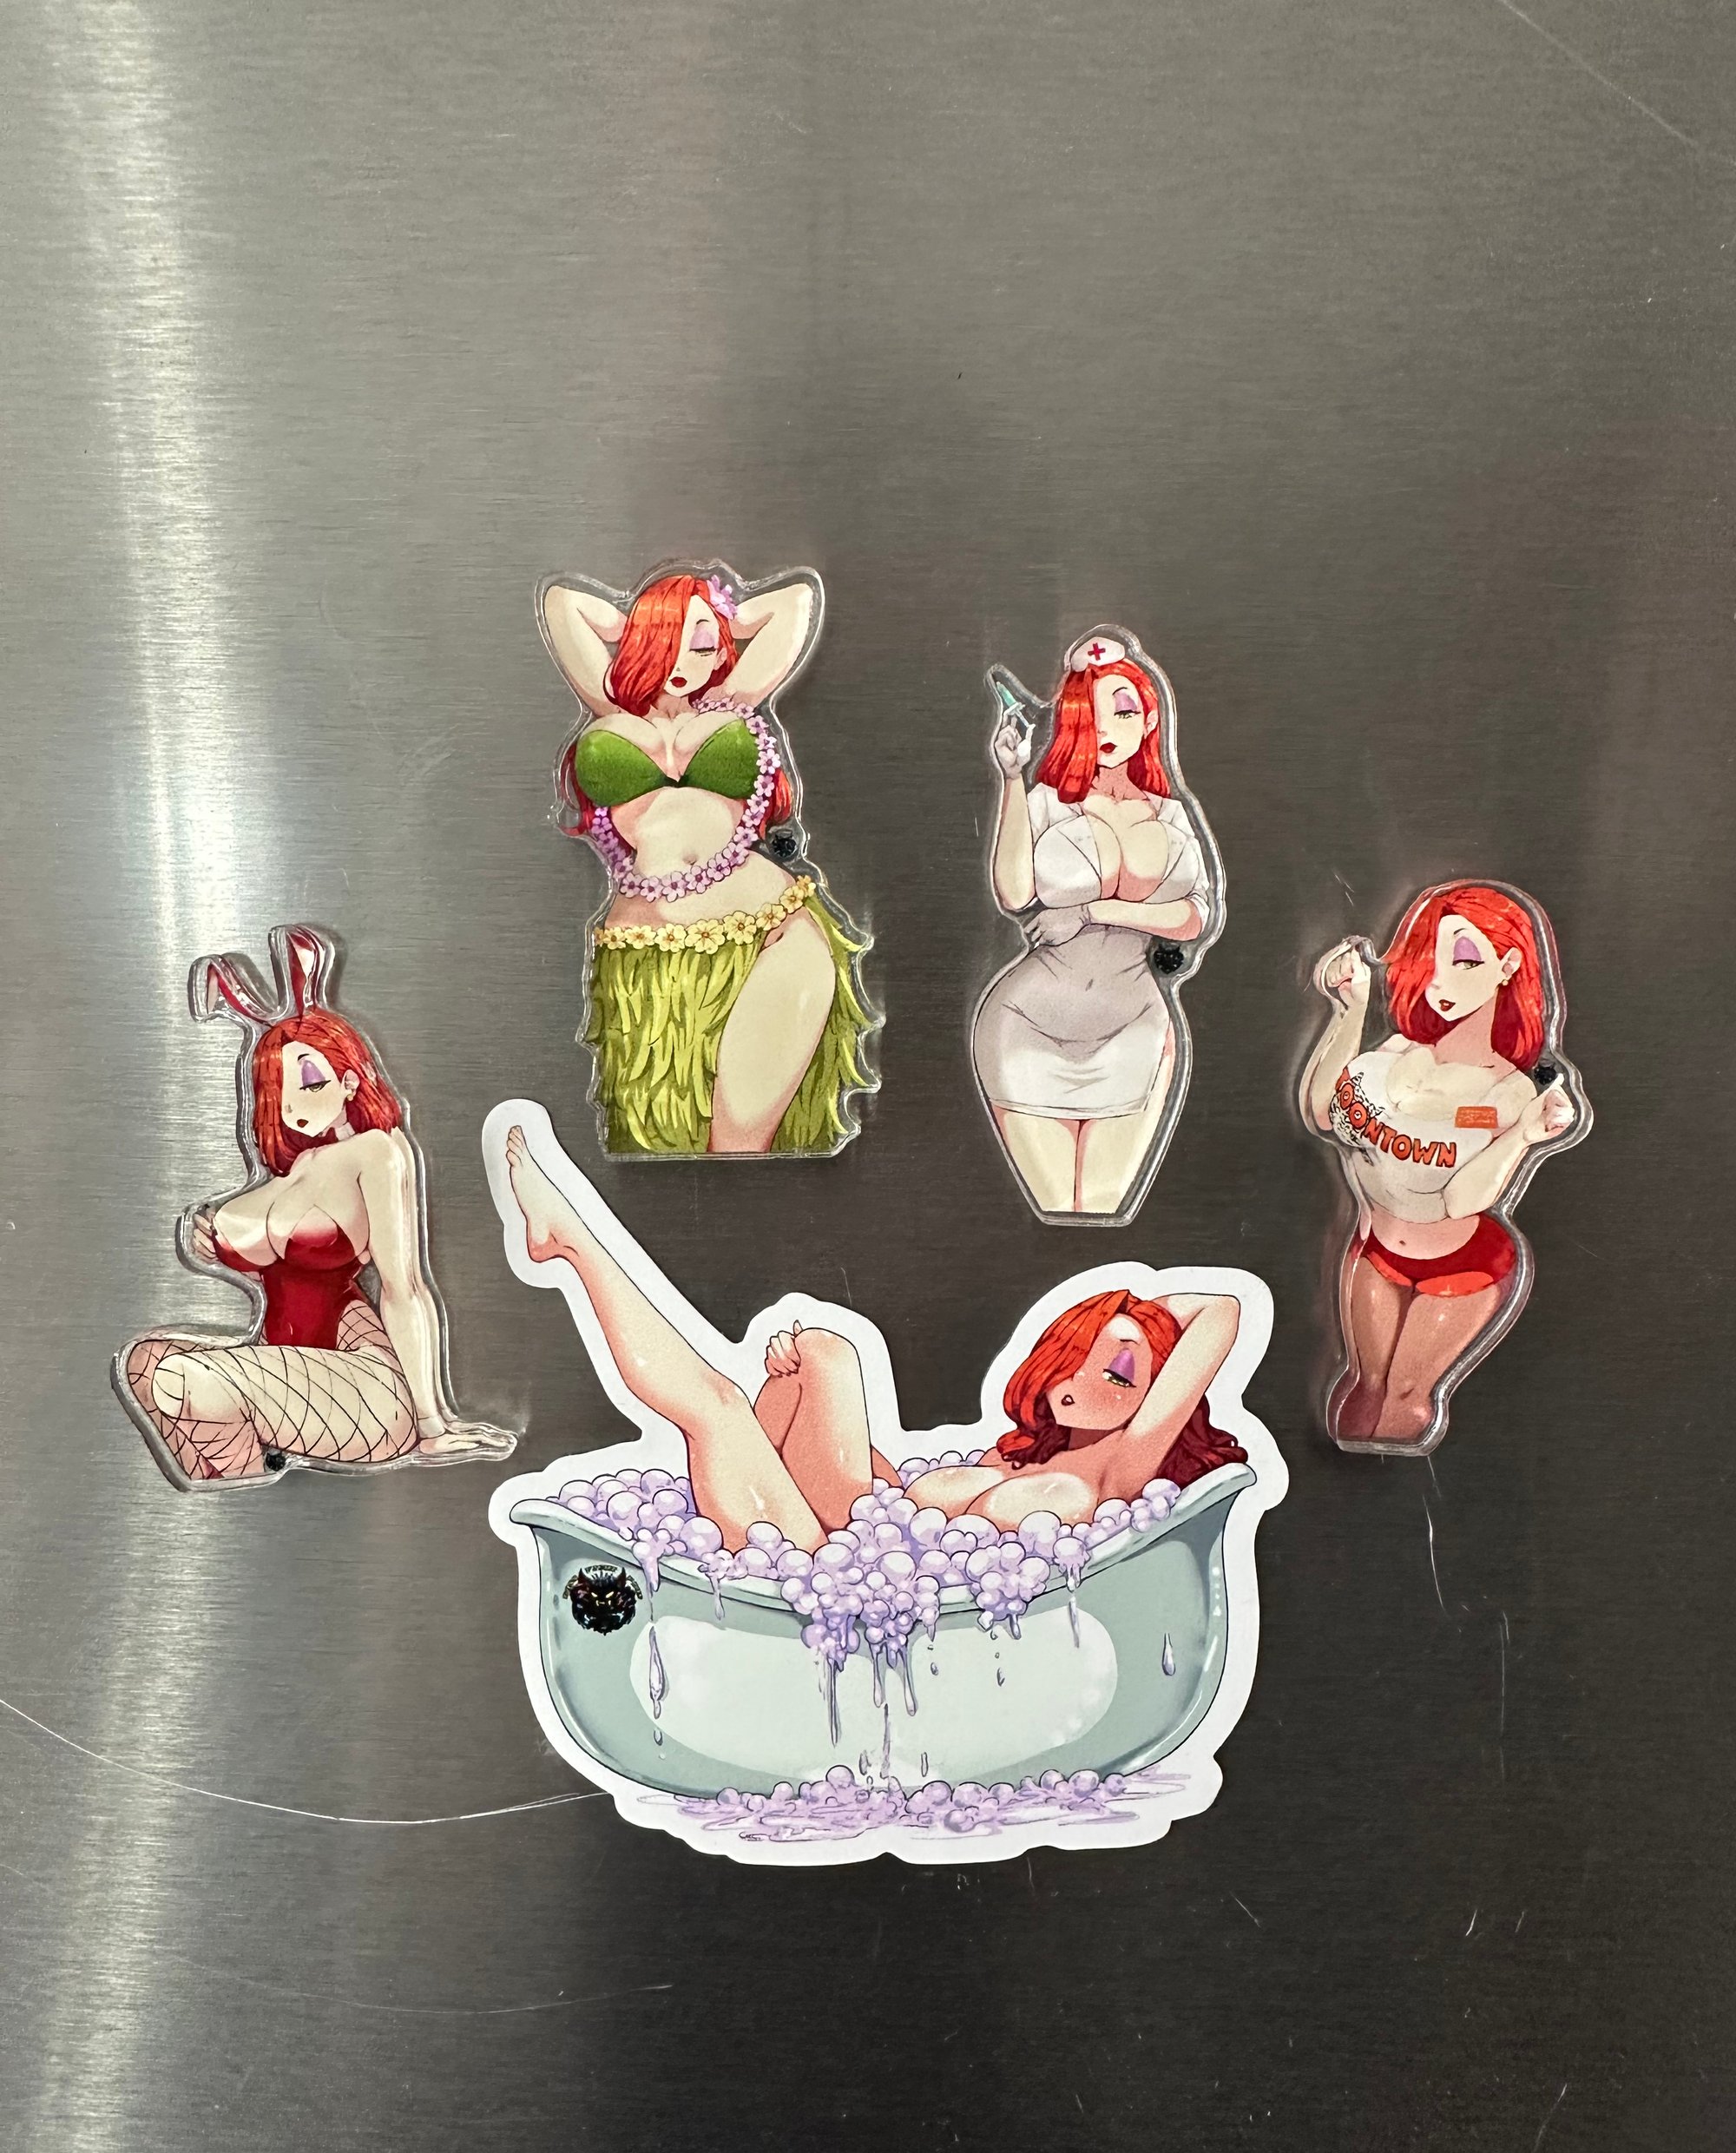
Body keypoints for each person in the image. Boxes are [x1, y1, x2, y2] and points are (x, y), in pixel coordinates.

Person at [502, 1122, 1246, 1551]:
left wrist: (1140, 1321)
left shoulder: (1121, 1469)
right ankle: (742, 1468)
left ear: (1153, 1398)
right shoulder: (1025, 1454)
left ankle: (572, 1242)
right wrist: (809, 1388)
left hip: (812, 1566)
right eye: (1074, 1359)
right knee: (827, 1352)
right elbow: (899, 1513)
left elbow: (1219, 1311)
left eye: (1119, 1375)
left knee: (716, 1404)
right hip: (858, 1540)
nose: (1084, 1383)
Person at [119, 927, 513, 1485]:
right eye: (277, 1089)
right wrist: (214, 1244)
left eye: (307, 1081)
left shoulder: (376, 1152)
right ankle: (245, 1483)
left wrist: (432, 1424)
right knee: (145, 1363)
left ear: (349, 1079)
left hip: (364, 1392)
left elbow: (404, 1287)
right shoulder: (295, 1170)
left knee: (180, 1379)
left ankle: (248, 1476)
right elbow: (280, 1260)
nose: (292, 1104)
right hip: (291, 1380)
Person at [540, 565, 873, 1156]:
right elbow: (562, 603)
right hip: (644, 950)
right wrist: (641, 617)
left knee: (742, 1141)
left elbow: (797, 600)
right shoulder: (612, 707)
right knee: (657, 1125)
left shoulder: (730, 703)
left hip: (770, 924)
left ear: (720, 650)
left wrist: (727, 612)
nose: (682, 661)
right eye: (666, 641)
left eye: (700, 645)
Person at [1299, 881, 1585, 1445]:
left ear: (1507, 966)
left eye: (1464, 960)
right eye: (1430, 959)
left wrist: (1523, 1135)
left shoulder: (1502, 1094)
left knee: (1407, 1397)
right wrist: (1350, 1010)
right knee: (1363, 1389)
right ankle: (1341, 1492)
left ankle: (1394, 1497)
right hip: (1375, 1249)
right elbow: (1323, 1113)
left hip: (1463, 1266)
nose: (1440, 980)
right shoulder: (1395, 1053)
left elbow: (1462, 1198)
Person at [971, 632, 1220, 1218]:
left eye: (1124, 711)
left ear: (1150, 718)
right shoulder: (1048, 800)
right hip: (1028, 1027)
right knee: (1056, 1212)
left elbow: (1196, 916)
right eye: (1089, 715)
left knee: (1103, 1210)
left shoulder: (1172, 813)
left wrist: (1090, 911)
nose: (1107, 728)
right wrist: (1012, 778)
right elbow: (1014, 893)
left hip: (1133, 1028)